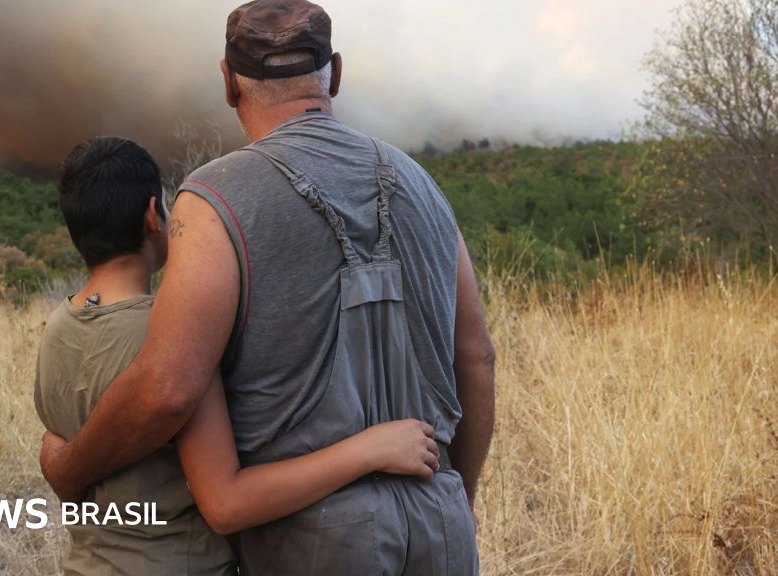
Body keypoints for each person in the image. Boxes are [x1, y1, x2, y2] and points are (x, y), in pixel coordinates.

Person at [41, 0, 497, 573]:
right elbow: (476, 357)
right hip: (442, 521)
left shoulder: (214, 198)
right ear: (335, 72)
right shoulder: (424, 184)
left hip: (311, 540)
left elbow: (169, 389)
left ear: (228, 82)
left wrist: (69, 469)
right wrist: (458, 500)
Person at [35, 135, 449, 576]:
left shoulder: (56, 330)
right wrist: (370, 450)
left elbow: (63, 450)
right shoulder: (173, 339)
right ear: (154, 216)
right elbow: (227, 503)